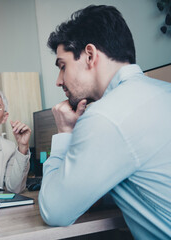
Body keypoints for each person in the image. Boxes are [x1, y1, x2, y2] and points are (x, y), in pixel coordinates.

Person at [38, 5, 171, 239]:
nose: (59, 81)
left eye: (62, 66)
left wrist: (63, 134)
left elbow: (53, 210)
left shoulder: (104, 116)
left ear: (90, 55)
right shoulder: (164, 91)